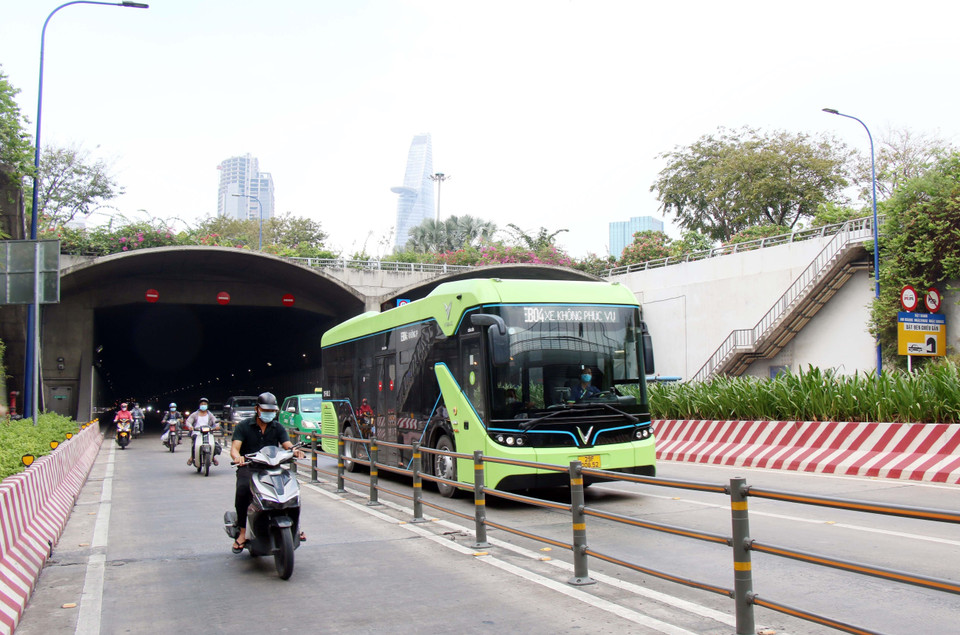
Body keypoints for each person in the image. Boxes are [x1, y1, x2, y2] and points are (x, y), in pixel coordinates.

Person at [230, 392, 305, 553]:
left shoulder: (277, 427)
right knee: (243, 490)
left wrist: (294, 451)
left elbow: (287, 445)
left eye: (272, 411)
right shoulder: (243, 426)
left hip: (272, 468)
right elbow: (235, 449)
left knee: (293, 491)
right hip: (249, 468)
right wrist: (238, 458)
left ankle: (295, 528)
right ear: (257, 409)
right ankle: (243, 531)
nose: (269, 414)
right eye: (266, 410)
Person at [184, 397, 222, 466]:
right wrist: (190, 426)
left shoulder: (210, 414)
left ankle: (213, 457)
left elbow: (215, 421)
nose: (203, 405)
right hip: (197, 433)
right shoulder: (195, 414)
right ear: (199, 405)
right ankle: (192, 457)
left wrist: (217, 426)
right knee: (195, 445)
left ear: (207, 405)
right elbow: (188, 421)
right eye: (202, 404)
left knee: (213, 444)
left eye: (205, 404)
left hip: (207, 433)